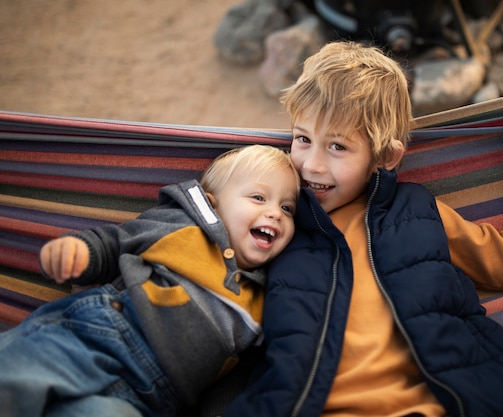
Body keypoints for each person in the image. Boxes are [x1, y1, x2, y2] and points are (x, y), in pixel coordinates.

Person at [221, 42, 503, 417]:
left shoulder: (417, 213)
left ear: (385, 157)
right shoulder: (278, 220)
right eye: (303, 139)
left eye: (337, 146)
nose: (312, 165)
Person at [0, 145, 300, 417]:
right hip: (94, 337)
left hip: (145, 398)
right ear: (212, 205)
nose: (275, 213)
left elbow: (232, 379)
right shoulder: (183, 227)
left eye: (287, 208)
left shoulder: (264, 301)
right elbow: (117, 242)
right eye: (259, 198)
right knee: (17, 382)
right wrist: (81, 252)